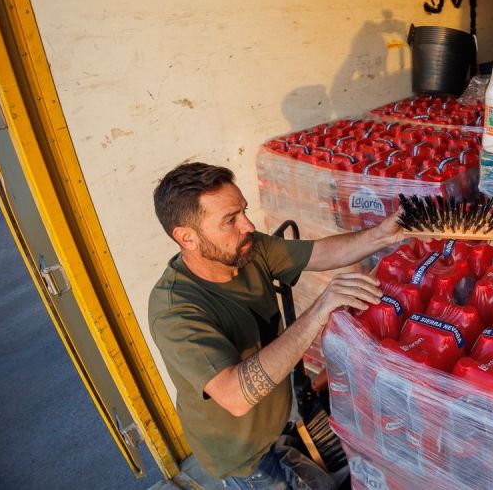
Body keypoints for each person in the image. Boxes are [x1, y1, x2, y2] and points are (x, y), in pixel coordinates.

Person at [149, 162, 403, 489]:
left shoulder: (247, 249)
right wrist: (320, 309)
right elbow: (236, 395)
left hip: (277, 423)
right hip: (242, 454)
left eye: (244, 211)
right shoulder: (175, 310)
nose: (248, 225)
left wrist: (381, 235)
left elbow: (320, 253)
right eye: (230, 220)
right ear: (187, 237)